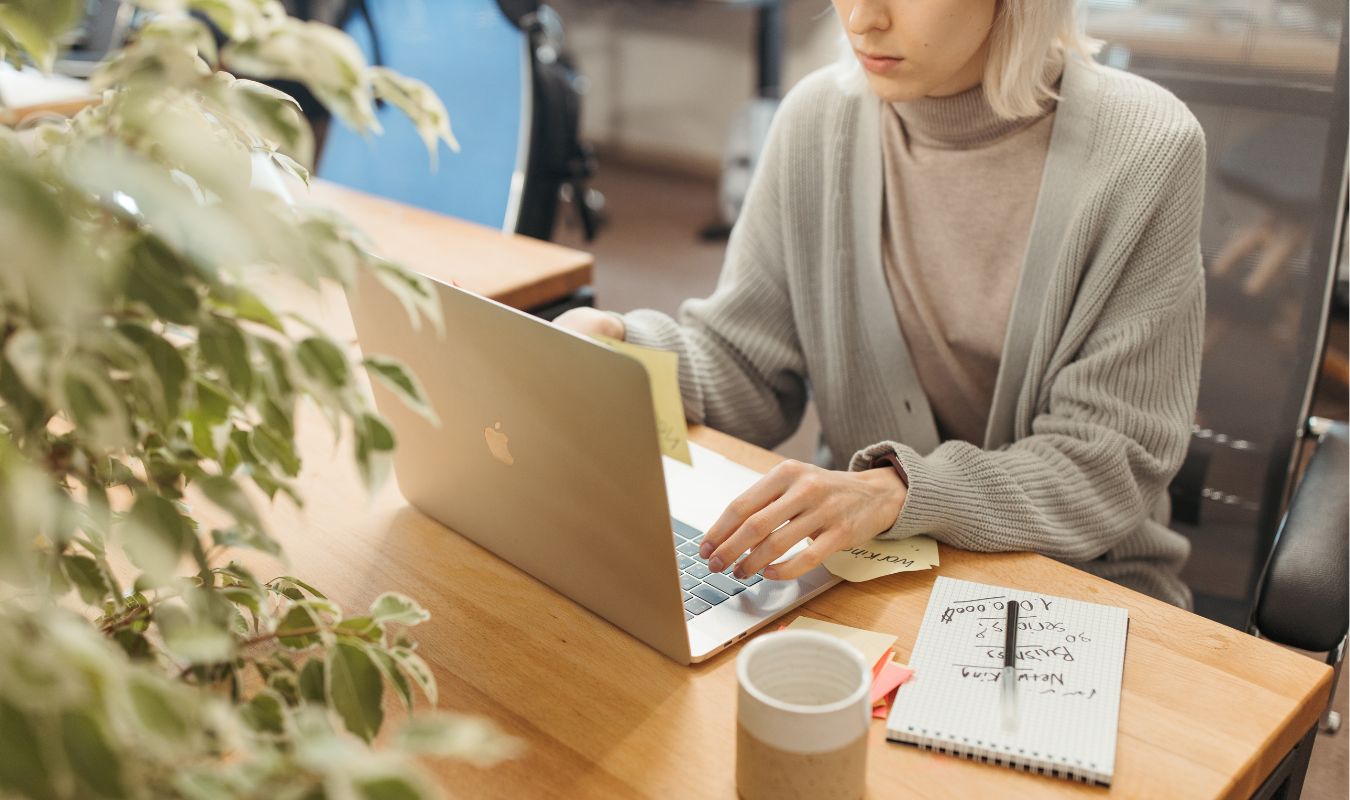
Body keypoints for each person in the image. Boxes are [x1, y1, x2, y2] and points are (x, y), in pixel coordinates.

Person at [555, 0, 1205, 607]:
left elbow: (1105, 464)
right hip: (864, 566)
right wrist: (626, 349)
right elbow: (746, 361)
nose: (862, 19)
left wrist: (894, 491)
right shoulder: (816, 120)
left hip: (1077, 583)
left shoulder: (1146, 147)